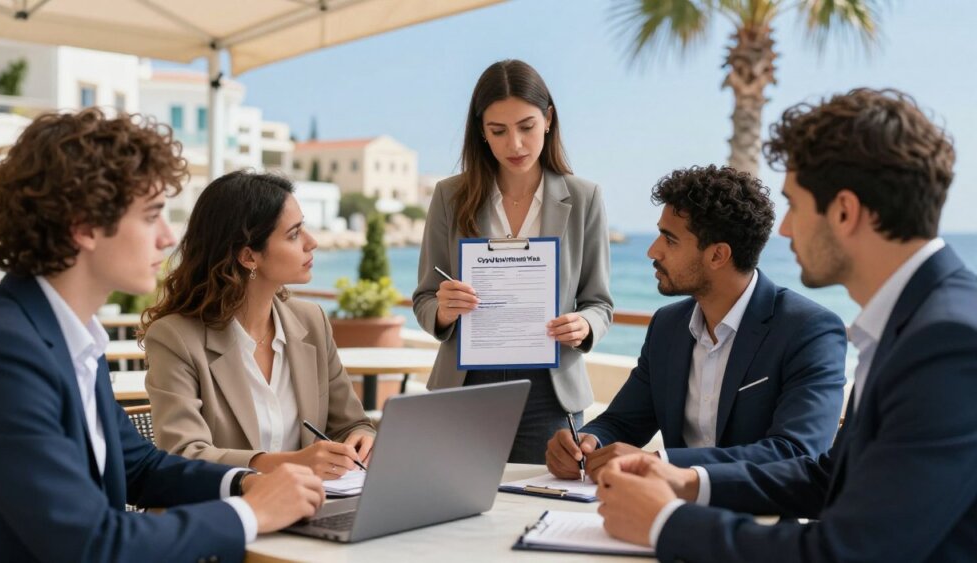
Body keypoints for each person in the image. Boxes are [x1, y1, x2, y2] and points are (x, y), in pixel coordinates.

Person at [596, 88, 977, 562]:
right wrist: (688, 480)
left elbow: (851, 552)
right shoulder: (916, 321)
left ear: (844, 211)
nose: (785, 230)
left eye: (795, 205)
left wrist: (665, 523)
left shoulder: (951, 341)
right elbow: (829, 478)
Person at [0, 109, 324, 562]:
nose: (168, 238)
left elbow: (138, 466)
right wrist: (251, 513)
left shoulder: (62, 335)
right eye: (151, 216)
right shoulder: (2, 351)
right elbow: (92, 543)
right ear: (84, 226)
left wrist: (248, 482)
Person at [546, 165, 846, 479]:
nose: (653, 250)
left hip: (758, 520)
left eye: (670, 240)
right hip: (663, 511)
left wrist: (660, 463)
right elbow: (623, 422)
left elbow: (796, 453)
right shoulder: (667, 325)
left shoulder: (809, 331)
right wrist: (588, 442)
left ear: (718, 256)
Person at [413, 59, 613, 463]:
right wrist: (444, 310)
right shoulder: (449, 197)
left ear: (549, 120)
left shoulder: (585, 197)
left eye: (526, 127)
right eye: (498, 131)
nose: (515, 145)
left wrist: (584, 325)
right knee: (455, 513)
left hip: (551, 393)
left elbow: (600, 303)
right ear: (481, 132)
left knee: (541, 508)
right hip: (466, 387)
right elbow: (424, 299)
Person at [141, 171, 375, 480]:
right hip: (221, 515)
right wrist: (288, 463)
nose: (312, 243)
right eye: (293, 234)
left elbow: (349, 423)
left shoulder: (311, 321)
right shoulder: (175, 338)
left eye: (303, 228)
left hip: (308, 512)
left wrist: (360, 438)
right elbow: (185, 453)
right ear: (249, 256)